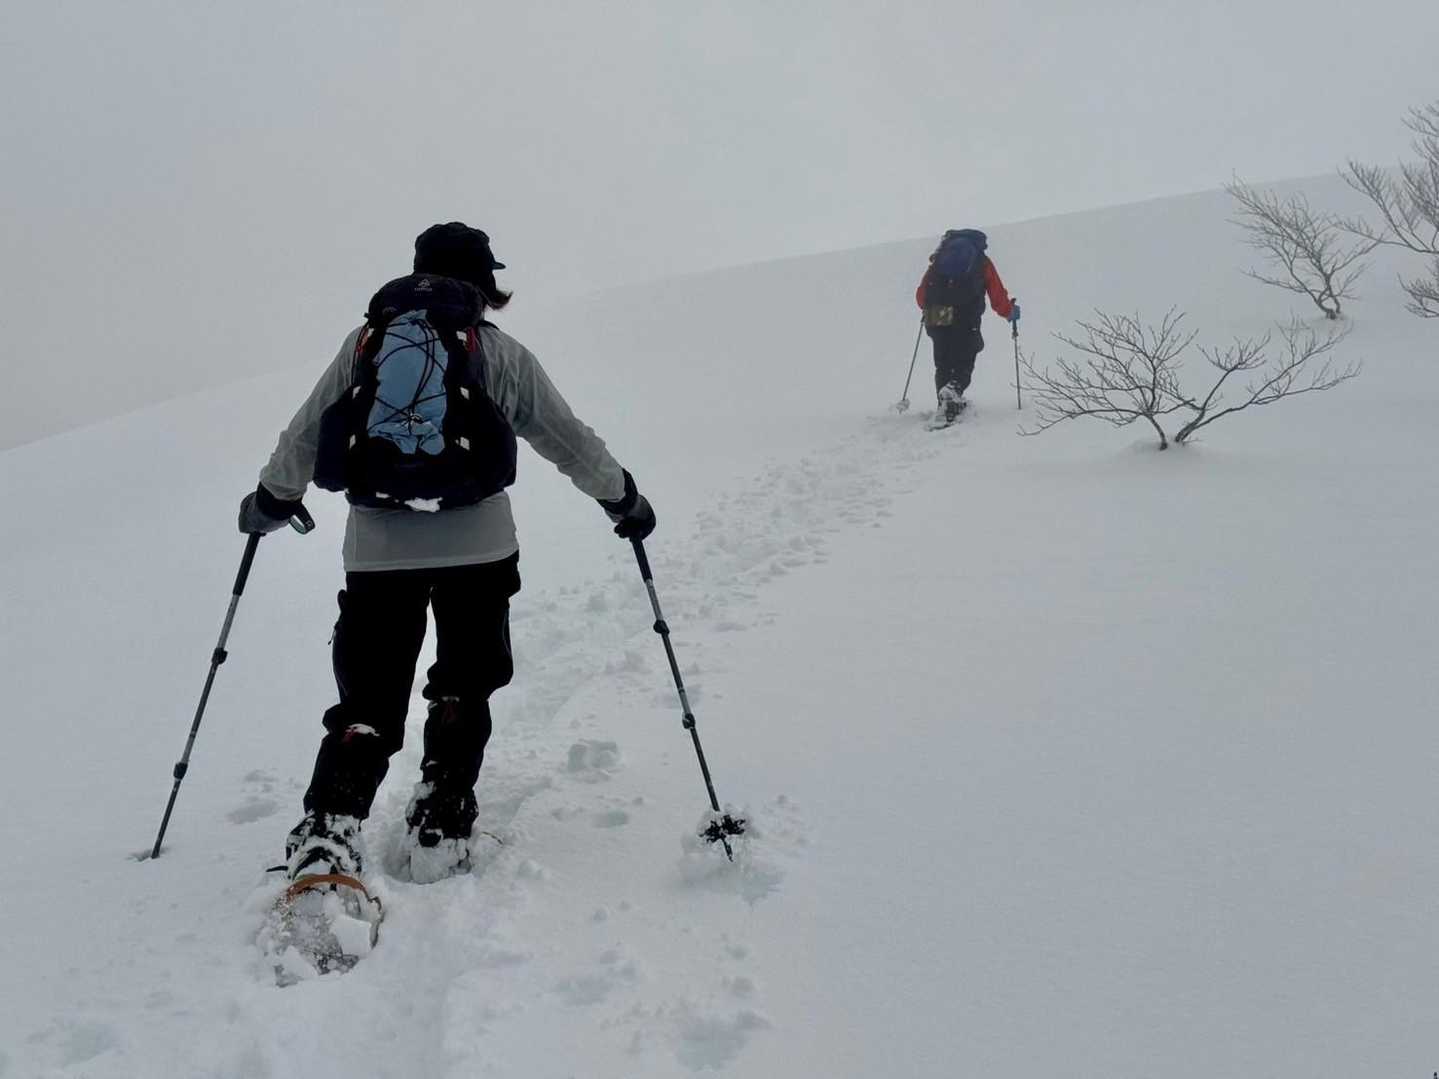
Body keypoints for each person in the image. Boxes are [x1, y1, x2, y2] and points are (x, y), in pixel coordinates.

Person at [237, 222, 655, 884]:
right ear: (485, 284)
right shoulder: (501, 353)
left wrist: (271, 499)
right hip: (479, 547)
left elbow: (305, 432)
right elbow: (568, 439)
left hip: (378, 550)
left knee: (369, 698)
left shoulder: (367, 344)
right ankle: (443, 809)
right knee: (464, 680)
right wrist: (621, 499)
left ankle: (331, 828)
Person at [914, 229, 1019, 422]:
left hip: (936, 312)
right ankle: (953, 390)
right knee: (966, 354)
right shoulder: (981, 260)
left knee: (943, 360)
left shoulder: (939, 258)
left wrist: (930, 308)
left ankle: (945, 404)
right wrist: (1009, 311)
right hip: (965, 312)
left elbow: (921, 295)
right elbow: (997, 294)